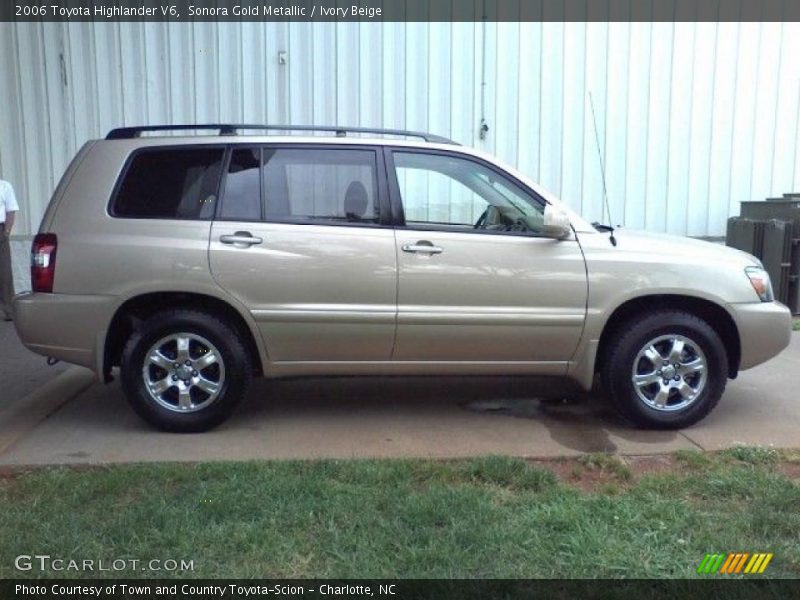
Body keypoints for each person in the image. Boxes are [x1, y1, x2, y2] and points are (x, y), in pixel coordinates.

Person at [0, 178, 19, 321]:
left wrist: (6, 232)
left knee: (4, 272)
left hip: (0, 231)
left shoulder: (5, 186)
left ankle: (8, 310)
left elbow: (11, 211)